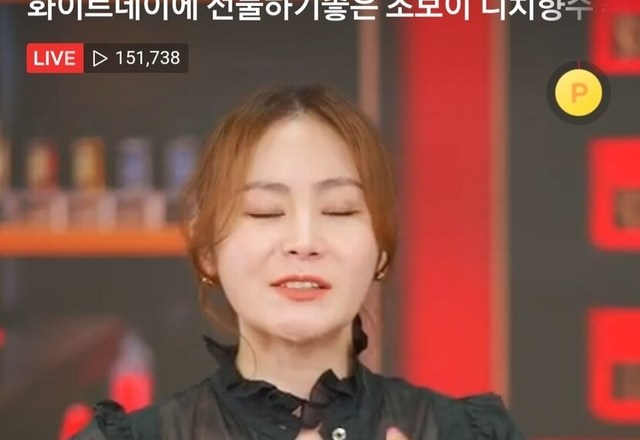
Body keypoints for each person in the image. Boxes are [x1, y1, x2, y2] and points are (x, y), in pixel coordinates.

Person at [72, 84, 525, 440]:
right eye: (265, 212)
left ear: (382, 249)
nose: (304, 242)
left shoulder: (468, 433)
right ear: (207, 251)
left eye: (340, 210)